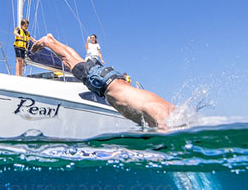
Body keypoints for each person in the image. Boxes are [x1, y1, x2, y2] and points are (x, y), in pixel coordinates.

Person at [31, 33, 174, 129]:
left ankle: (52, 41)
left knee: (73, 62)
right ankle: (49, 42)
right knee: (69, 61)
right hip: (104, 82)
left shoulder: (167, 111)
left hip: (109, 81)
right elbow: (155, 113)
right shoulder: (163, 113)